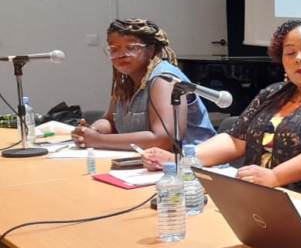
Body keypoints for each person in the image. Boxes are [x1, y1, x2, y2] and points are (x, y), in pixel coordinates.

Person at [141, 20, 301, 201]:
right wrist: (183, 159)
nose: (299, 58)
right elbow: (236, 139)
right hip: (259, 198)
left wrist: (275, 176)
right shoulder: (274, 93)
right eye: (290, 52)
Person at [71, 19, 215, 150]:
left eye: (131, 47)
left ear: (151, 50)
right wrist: (92, 131)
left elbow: (165, 140)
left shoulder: (164, 79)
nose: (122, 54)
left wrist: (99, 140)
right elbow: (110, 121)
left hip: (192, 165)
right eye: (114, 49)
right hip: (148, 162)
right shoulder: (124, 81)